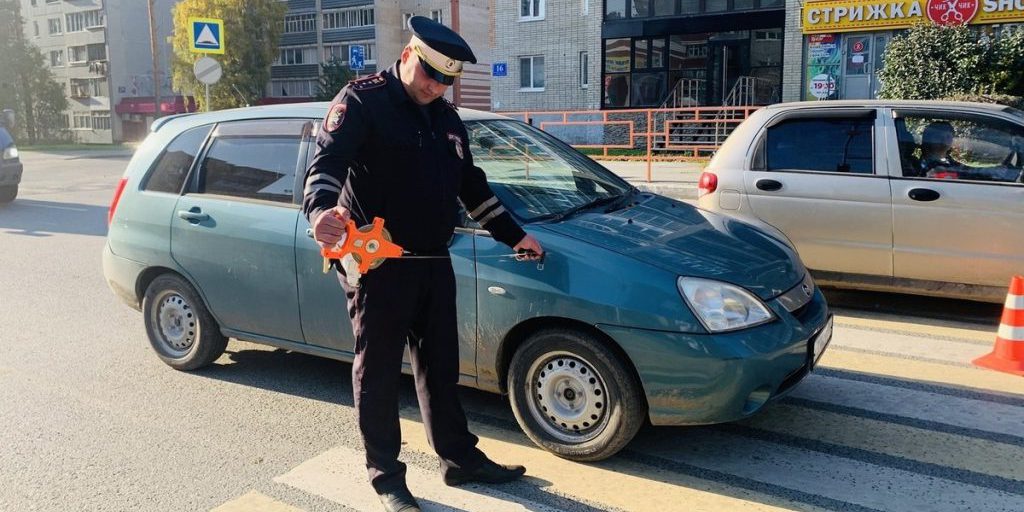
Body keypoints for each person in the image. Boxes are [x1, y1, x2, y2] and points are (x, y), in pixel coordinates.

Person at [302, 16, 543, 512]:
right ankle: (387, 478)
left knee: (441, 368)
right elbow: (325, 165)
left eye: (444, 80)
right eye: (429, 74)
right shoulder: (363, 100)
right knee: (379, 373)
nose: (434, 87)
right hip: (378, 265)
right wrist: (321, 211)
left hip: (435, 262)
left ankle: (459, 459)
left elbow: (470, 186)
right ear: (409, 54)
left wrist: (516, 235)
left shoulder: (446, 117)